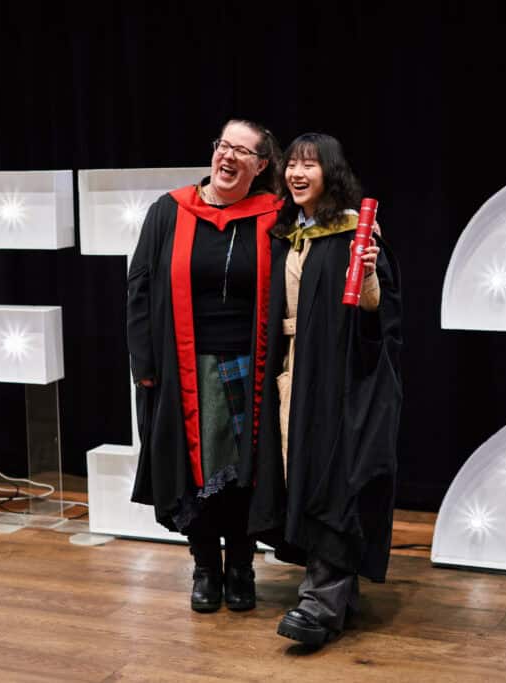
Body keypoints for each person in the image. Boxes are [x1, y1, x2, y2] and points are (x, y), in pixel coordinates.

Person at [249, 133, 402, 647]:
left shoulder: (353, 233)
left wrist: (368, 275)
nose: (296, 172)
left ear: (330, 173)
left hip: (337, 380)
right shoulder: (290, 233)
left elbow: (377, 313)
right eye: (291, 163)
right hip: (292, 374)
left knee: (333, 480)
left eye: (309, 165)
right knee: (301, 477)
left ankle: (319, 604)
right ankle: (337, 591)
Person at [127, 119, 282, 612]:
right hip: (182, 369)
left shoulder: (275, 216)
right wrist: (144, 363)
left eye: (243, 150)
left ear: (260, 166)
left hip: (251, 365)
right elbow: (140, 287)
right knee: (193, 475)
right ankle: (204, 566)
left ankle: (240, 564)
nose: (228, 156)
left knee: (243, 475)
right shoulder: (169, 211)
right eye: (223, 145)